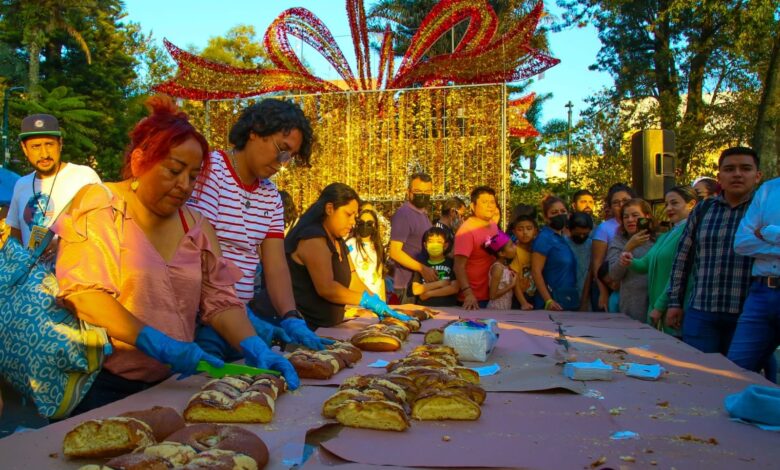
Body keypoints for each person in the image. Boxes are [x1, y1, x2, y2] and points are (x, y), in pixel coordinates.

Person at [51, 96, 299, 414]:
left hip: (170, 386)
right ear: (141, 161)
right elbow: (84, 294)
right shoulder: (102, 204)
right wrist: (158, 343)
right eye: (174, 170)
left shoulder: (196, 225)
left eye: (193, 176)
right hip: (100, 385)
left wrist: (252, 343)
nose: (184, 185)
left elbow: (221, 302)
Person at [187, 99, 328, 354]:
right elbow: (201, 250)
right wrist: (237, 311)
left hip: (240, 319)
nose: (281, 163)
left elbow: (275, 265)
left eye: (290, 157)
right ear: (255, 131)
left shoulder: (271, 196)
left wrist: (291, 316)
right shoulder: (212, 170)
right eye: (281, 149)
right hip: (202, 318)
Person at [251, 183, 410, 328]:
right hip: (301, 328)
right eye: (348, 215)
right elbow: (326, 288)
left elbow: (353, 278)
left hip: (328, 327)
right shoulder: (313, 238)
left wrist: (379, 303)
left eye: (355, 216)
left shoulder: (338, 238)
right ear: (329, 209)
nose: (353, 222)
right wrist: (365, 301)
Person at [667, 147, 762, 356]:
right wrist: (674, 303)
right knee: (698, 378)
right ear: (719, 177)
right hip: (702, 311)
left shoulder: (766, 210)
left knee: (745, 379)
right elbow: (682, 259)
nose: (737, 174)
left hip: (750, 315)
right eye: (729, 169)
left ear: (757, 176)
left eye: (745, 168)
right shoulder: (704, 209)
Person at [7, 113, 100, 250]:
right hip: (33, 271)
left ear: (60, 144)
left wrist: (60, 245)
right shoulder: (21, 185)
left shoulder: (84, 177)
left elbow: (104, 230)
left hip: (74, 270)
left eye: (49, 144)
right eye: (36, 146)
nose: (44, 154)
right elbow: (15, 237)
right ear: (24, 149)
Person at [620, 186, 697, 336]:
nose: (669, 208)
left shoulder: (689, 233)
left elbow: (678, 275)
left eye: (674, 203)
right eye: (666, 204)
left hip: (673, 310)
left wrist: (660, 307)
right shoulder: (666, 236)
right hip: (657, 310)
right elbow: (644, 265)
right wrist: (628, 259)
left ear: (692, 204)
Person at [730, 176, 780, 382]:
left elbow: (755, 238)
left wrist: (769, 231)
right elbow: (741, 243)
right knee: (732, 372)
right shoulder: (769, 189)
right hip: (761, 294)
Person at [388, 173, 436, 303]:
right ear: (409, 192)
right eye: (418, 191)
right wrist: (422, 268)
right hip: (405, 286)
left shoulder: (423, 214)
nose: (423, 195)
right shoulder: (404, 214)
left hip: (419, 284)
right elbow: (395, 252)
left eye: (427, 192)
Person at [607, 198, 655, 322]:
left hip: (654, 303)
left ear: (647, 216)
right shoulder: (618, 241)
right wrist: (629, 247)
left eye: (635, 215)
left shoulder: (659, 239)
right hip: (631, 305)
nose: (630, 220)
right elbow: (614, 274)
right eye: (626, 217)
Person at [591, 184, 637, 311]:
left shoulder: (639, 225)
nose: (621, 205)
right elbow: (597, 263)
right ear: (610, 207)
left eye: (625, 201)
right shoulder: (604, 228)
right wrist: (603, 292)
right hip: (611, 286)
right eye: (616, 203)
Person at [454, 186, 500, 310]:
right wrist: (468, 293)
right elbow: (458, 266)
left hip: (491, 295)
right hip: (471, 300)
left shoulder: (493, 226)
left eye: (492, 202)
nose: (490, 206)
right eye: (484, 202)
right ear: (473, 207)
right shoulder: (466, 231)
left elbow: (496, 255)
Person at [531, 195, 578, 311]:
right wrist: (548, 301)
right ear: (546, 217)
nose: (559, 215)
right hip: (551, 304)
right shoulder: (544, 239)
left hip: (567, 299)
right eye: (554, 212)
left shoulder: (564, 238)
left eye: (563, 211)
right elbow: (536, 271)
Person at [411, 226, 459, 306]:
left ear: (445, 245)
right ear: (425, 245)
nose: (434, 245)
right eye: (431, 242)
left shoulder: (451, 263)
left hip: (449, 309)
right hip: (425, 307)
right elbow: (416, 290)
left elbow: (454, 288)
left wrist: (428, 294)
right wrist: (440, 283)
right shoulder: (422, 265)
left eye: (439, 242)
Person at [346, 208, 386, 301]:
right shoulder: (349, 245)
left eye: (369, 223)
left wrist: (383, 302)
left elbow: (381, 277)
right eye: (362, 223)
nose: (365, 226)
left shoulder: (377, 247)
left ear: (375, 226)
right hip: (357, 300)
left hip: (376, 301)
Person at [566, 212, 594, 311]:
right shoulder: (563, 244)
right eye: (578, 234)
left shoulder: (592, 245)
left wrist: (584, 300)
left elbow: (590, 272)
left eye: (585, 234)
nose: (582, 237)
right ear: (570, 230)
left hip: (586, 294)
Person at [509, 214, 537, 310]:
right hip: (519, 298)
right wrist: (523, 302)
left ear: (535, 231)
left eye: (529, 228)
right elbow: (514, 281)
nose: (525, 232)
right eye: (520, 229)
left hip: (534, 296)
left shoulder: (537, 251)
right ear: (514, 232)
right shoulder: (515, 252)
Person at [484, 231, 517, 310]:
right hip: (496, 309)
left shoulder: (504, 266)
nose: (515, 247)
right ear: (501, 253)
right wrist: (511, 285)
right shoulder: (498, 268)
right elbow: (492, 295)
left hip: (505, 307)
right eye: (511, 246)